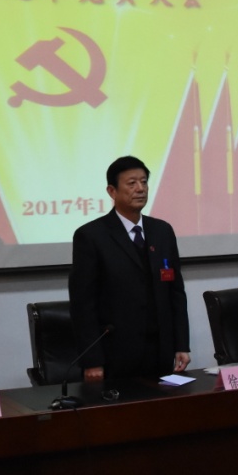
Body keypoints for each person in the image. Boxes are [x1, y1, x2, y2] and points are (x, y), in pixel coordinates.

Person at [68, 156, 191, 382]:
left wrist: (181, 344)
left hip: (160, 351)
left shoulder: (162, 231)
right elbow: (83, 304)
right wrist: (92, 360)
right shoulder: (91, 236)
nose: (140, 189)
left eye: (144, 182)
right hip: (115, 353)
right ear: (112, 191)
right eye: (132, 183)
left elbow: (176, 292)